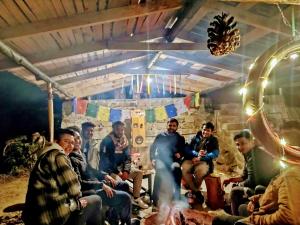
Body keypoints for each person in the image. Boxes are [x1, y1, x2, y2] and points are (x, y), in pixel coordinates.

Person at [22, 129, 103, 225]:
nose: (70, 146)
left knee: (87, 195)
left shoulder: (46, 154)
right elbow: (75, 191)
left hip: (38, 212)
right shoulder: (58, 156)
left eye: (72, 143)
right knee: (96, 200)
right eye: (66, 141)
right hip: (50, 216)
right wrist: (76, 204)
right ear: (56, 142)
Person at [67, 127, 137, 225]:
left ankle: (114, 219)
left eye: (78, 138)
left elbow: (91, 170)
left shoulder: (80, 153)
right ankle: (127, 222)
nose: (77, 141)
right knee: (126, 197)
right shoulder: (71, 158)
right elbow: (80, 183)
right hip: (89, 190)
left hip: (96, 183)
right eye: (73, 139)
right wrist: (102, 185)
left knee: (124, 185)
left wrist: (104, 176)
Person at [212, 164, 300, 225]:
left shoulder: (290, 175)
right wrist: (255, 199)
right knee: (242, 207)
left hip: (264, 215)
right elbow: (273, 193)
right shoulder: (286, 172)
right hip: (264, 206)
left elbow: (288, 217)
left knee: (218, 219)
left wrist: (255, 219)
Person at [223, 130, 279, 215]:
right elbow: (245, 175)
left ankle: (236, 218)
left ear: (251, 142)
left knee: (235, 191)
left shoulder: (255, 156)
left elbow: (252, 181)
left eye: (243, 143)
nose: (240, 147)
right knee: (236, 186)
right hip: (260, 185)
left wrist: (238, 184)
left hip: (266, 188)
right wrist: (231, 180)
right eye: (237, 144)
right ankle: (235, 208)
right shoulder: (249, 154)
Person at [99, 121, 148, 209]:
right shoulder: (107, 141)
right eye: (118, 129)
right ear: (113, 128)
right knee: (120, 183)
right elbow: (105, 161)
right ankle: (121, 204)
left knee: (138, 173)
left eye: (122, 129)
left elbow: (128, 157)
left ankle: (136, 198)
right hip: (110, 171)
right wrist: (118, 172)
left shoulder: (124, 140)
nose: (120, 132)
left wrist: (126, 170)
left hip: (122, 168)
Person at [150, 118, 186, 206]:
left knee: (177, 172)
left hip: (174, 161)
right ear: (167, 125)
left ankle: (177, 197)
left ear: (177, 127)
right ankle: (155, 198)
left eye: (174, 126)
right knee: (159, 173)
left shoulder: (180, 138)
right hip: (161, 160)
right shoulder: (160, 136)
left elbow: (183, 150)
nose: (171, 127)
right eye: (170, 125)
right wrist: (153, 159)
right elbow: (152, 149)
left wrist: (180, 154)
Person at [182, 122, 219, 203]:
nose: (205, 132)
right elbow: (187, 149)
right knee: (184, 168)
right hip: (192, 159)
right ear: (202, 129)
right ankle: (196, 191)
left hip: (204, 162)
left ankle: (192, 192)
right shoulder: (195, 138)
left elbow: (215, 153)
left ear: (212, 132)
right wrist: (195, 154)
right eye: (204, 130)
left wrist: (203, 157)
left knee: (201, 171)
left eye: (208, 130)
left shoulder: (214, 140)